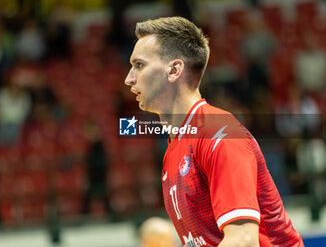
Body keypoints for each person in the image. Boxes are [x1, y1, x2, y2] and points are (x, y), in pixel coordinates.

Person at [124, 16, 304, 247]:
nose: (128, 79)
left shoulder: (219, 133)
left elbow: (244, 241)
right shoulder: (176, 145)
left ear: (174, 70)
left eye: (139, 65)